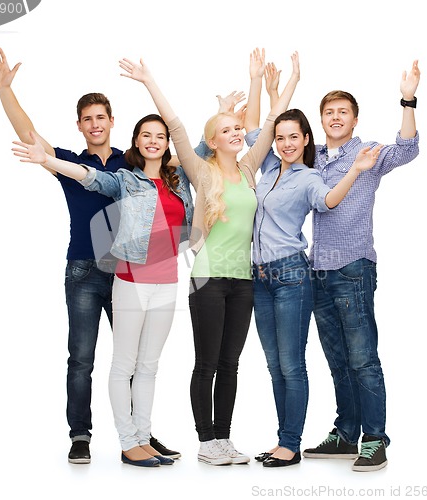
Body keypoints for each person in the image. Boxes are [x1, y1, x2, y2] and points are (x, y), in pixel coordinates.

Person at [0, 45, 180, 463]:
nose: (95, 124)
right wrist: (5, 92)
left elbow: (175, 154)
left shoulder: (134, 162)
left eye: (101, 117)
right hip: (86, 272)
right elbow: (29, 136)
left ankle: (140, 434)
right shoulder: (71, 162)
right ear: (80, 126)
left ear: (112, 122)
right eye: (87, 119)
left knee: (137, 359)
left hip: (134, 273)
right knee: (83, 357)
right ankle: (80, 434)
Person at [118, 48, 300, 465]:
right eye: (228, 129)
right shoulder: (203, 171)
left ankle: (224, 440)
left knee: (231, 364)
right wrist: (149, 82)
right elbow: (177, 127)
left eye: (239, 127)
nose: (238, 132)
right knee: (207, 364)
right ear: (213, 140)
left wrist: (291, 80)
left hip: (243, 280)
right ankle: (205, 443)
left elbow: (271, 124)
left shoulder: (251, 168)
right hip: (208, 279)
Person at [12, 113, 193, 467]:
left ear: (167, 144)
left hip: (167, 281)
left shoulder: (178, 182)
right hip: (130, 281)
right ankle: (128, 442)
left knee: (149, 366)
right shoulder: (125, 178)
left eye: (160, 136)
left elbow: (197, 151)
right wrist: (46, 160)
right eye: (146, 135)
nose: (153, 141)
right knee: (124, 364)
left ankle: (143, 437)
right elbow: (90, 178)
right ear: (136, 143)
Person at [241, 60, 382, 468]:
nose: (285, 143)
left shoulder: (308, 177)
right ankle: (284, 438)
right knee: (273, 365)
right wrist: (271, 88)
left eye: (293, 137)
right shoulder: (266, 168)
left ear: (306, 141)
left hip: (291, 274)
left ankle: (291, 443)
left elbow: (329, 200)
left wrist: (354, 171)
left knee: (292, 363)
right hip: (260, 276)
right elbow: (258, 126)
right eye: (280, 138)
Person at [301, 60, 421, 472]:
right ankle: (345, 432)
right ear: (321, 120)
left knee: (362, 357)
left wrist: (408, 99)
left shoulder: (367, 153)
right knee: (336, 358)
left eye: (342, 112)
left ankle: (374, 439)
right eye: (328, 112)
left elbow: (407, 148)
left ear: (354, 119)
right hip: (318, 269)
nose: (335, 118)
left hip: (353, 268)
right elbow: (265, 140)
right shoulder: (311, 155)